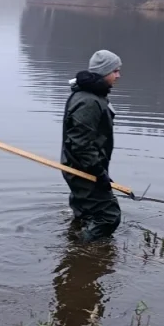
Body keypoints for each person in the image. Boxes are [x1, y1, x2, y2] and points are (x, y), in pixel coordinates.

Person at [61, 49, 123, 242]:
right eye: (115, 71)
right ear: (104, 73)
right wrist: (99, 173)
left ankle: (75, 237)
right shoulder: (88, 101)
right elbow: (82, 146)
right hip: (83, 170)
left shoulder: (93, 95)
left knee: (85, 211)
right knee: (109, 216)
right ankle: (81, 252)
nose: (118, 75)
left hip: (82, 167)